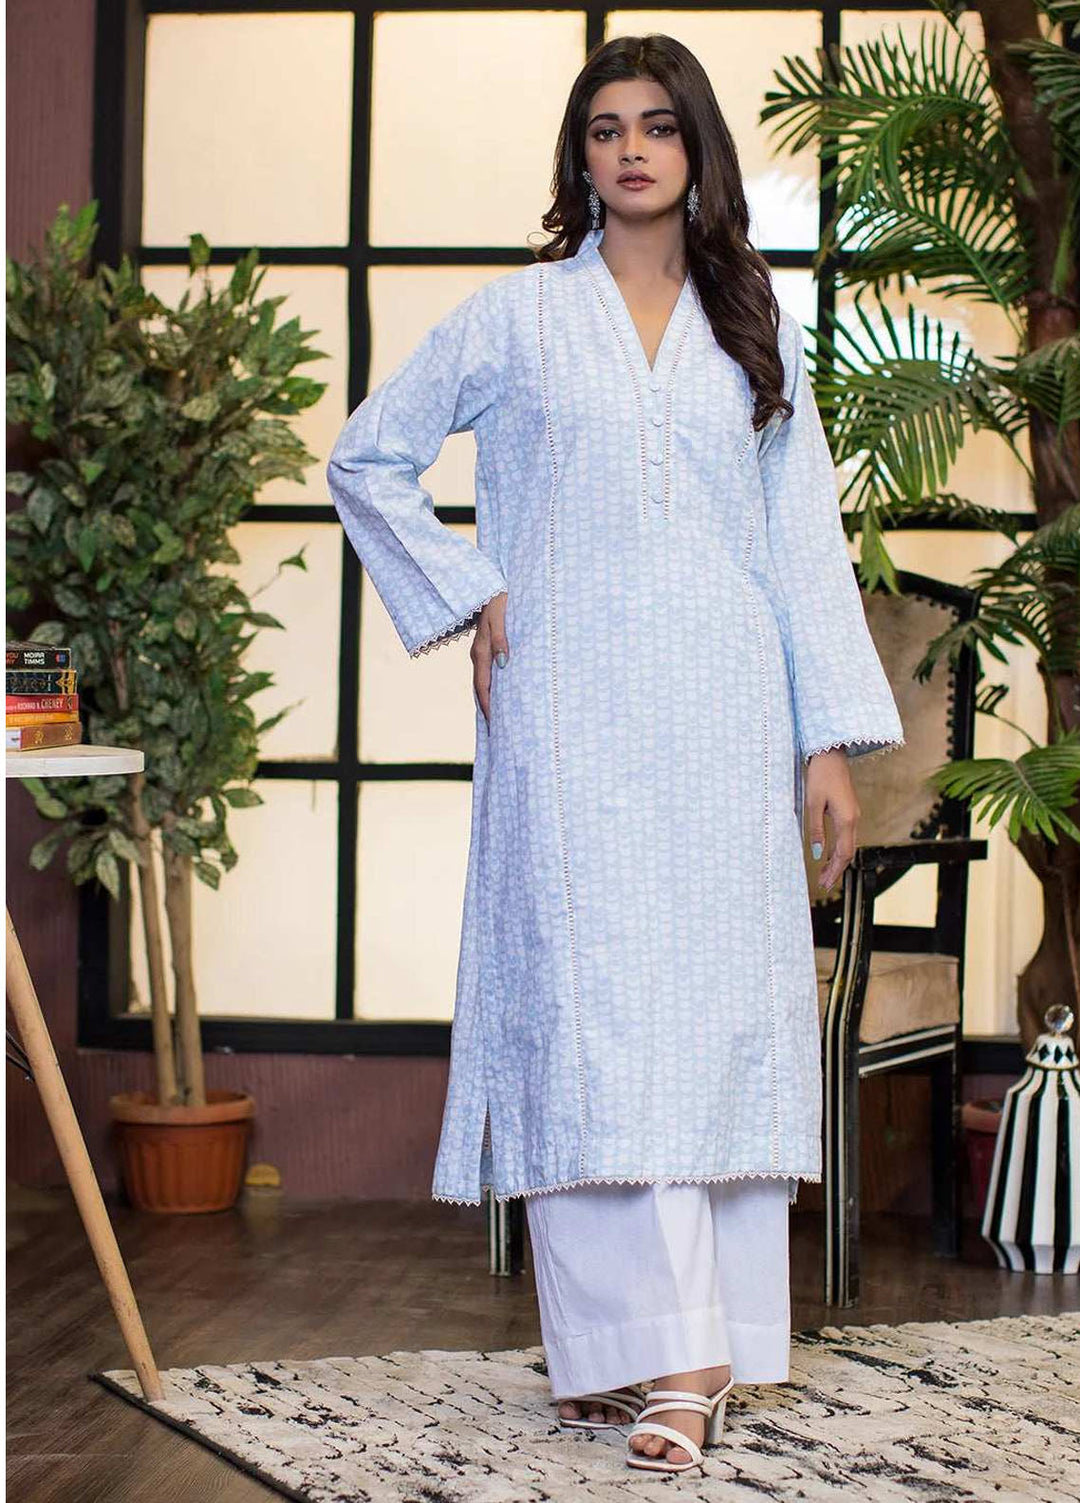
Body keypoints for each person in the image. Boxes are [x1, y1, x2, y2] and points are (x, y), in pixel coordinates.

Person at [326, 33, 904, 1476]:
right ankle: (632, 1353)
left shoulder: (750, 327)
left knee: (709, 1020)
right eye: (605, 128)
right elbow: (366, 456)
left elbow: (801, 545)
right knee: (585, 1018)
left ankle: (702, 1352)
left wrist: (823, 743)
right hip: (568, 715)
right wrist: (469, 590)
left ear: (696, 150)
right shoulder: (519, 318)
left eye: (656, 125)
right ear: (579, 158)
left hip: (724, 716)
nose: (632, 149)